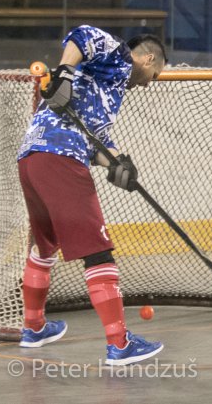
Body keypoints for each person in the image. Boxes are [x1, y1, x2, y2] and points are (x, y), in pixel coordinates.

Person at [16, 25, 166, 365]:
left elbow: (95, 142)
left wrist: (117, 165)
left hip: (33, 158)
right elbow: (82, 35)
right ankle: (120, 344)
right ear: (148, 58)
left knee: (45, 246)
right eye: (154, 75)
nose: (149, 83)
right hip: (60, 157)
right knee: (98, 252)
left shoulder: (109, 88)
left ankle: (34, 328)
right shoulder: (119, 58)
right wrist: (63, 74)